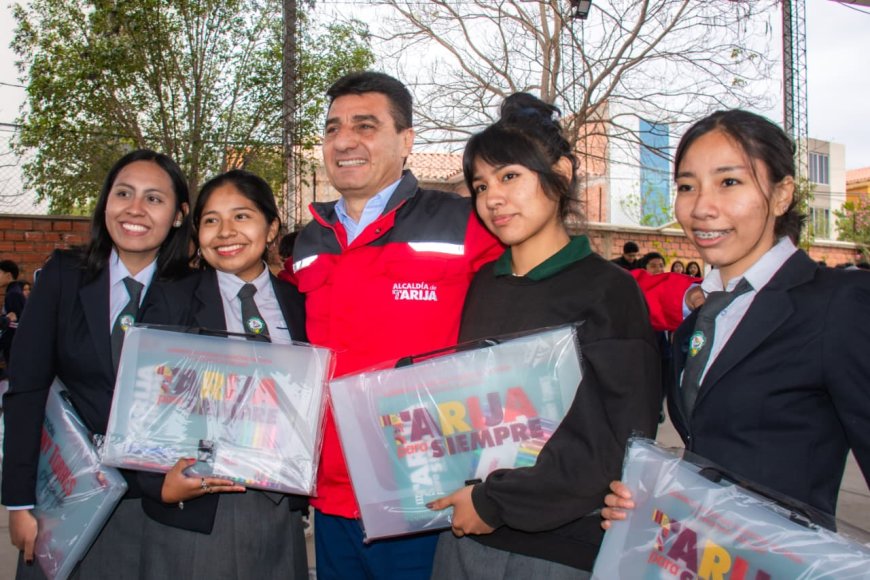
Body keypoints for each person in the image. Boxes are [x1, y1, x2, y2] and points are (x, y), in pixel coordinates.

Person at [427, 93, 661, 578]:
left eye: (510, 176)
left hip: (558, 548)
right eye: (480, 184)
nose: (493, 197)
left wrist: (497, 503)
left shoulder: (608, 291)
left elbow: (618, 443)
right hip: (466, 533)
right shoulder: (480, 286)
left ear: (561, 172)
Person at [601, 109, 870, 530]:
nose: (702, 207)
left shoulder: (837, 304)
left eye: (729, 182)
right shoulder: (698, 318)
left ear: (782, 194)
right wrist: (654, 503)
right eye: (687, 186)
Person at [291, 71, 502, 579]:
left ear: (406, 141)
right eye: (333, 128)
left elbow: (546, 278)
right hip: (334, 498)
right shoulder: (309, 240)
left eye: (365, 126)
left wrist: (685, 294)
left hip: (426, 499)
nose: (344, 141)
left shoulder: (461, 221)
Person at [2, 149, 193, 578]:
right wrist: (18, 501)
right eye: (123, 193)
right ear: (106, 201)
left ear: (178, 215)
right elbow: (26, 389)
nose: (135, 209)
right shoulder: (63, 276)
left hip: (147, 506)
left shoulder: (189, 293)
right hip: (65, 497)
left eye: (154, 199)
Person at [137, 169, 309, 579]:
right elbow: (138, 400)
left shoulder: (300, 301)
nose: (225, 232)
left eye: (241, 216)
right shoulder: (171, 299)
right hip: (200, 504)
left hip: (280, 508)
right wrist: (156, 483)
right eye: (211, 220)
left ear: (271, 229)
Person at [0, 260, 25, 369]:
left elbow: (17, 323)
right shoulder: (14, 291)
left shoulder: (13, 294)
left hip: (13, 345)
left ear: (8, 275)